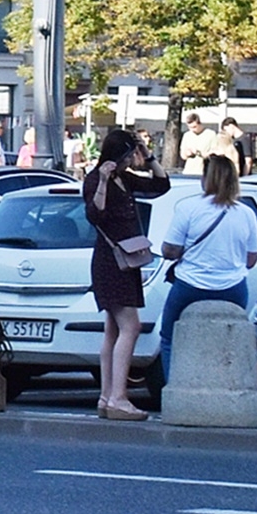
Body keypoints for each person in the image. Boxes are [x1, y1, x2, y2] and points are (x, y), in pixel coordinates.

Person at [83, 126, 168, 421]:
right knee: (130, 327)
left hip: (126, 261)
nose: (134, 158)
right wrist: (104, 180)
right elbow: (95, 215)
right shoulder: (97, 178)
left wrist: (150, 155)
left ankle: (107, 397)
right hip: (110, 261)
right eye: (131, 153)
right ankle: (118, 397)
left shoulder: (126, 178)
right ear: (118, 155)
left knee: (114, 329)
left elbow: (161, 186)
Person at [155, 155, 257, 382]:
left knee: (169, 337)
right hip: (233, 288)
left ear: (206, 178)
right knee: (230, 339)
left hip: (190, 285)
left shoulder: (189, 207)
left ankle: (174, 387)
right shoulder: (246, 214)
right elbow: (251, 259)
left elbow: (168, 250)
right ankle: (225, 384)